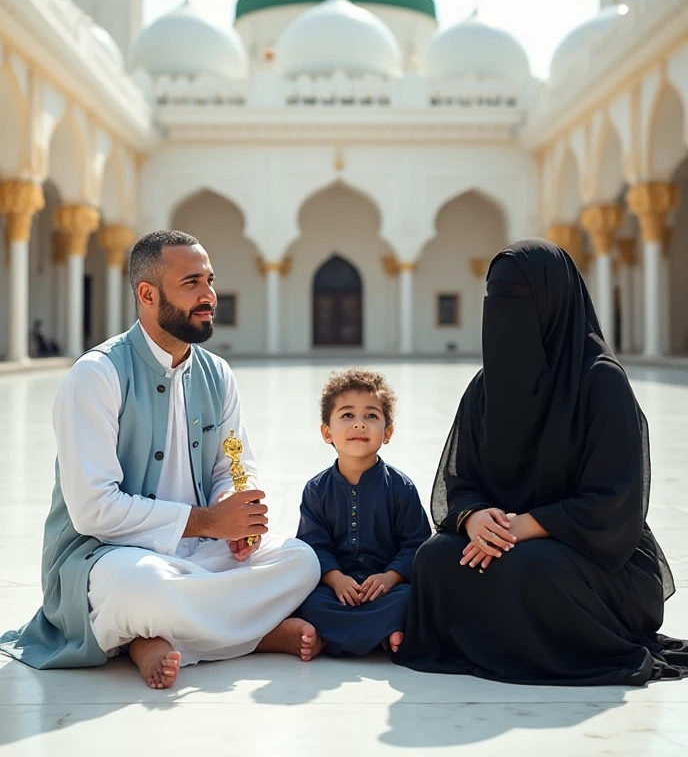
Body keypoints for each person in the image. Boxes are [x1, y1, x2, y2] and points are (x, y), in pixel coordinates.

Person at [0, 230, 321, 688]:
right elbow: (94, 511)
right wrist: (210, 522)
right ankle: (256, 633)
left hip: (195, 554)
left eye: (209, 281)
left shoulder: (217, 374)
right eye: (191, 283)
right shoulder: (97, 375)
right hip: (108, 557)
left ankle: (150, 639)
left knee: (301, 561)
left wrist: (239, 520)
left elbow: (232, 465)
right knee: (143, 587)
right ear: (147, 294)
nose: (208, 295)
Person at [395, 239, 688, 685]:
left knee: (533, 568)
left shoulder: (599, 382)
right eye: (495, 298)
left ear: (554, 304)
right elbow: (462, 479)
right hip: (506, 541)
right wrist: (475, 518)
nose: (503, 312)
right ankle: (500, 638)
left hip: (600, 558)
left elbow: (614, 504)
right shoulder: (486, 387)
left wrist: (527, 525)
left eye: (518, 299)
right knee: (434, 559)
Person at [294, 368, 431, 656]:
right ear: (327, 432)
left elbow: (415, 546)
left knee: (410, 599)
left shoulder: (401, 488)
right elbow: (313, 547)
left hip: (386, 590)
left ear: (388, 432)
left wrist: (389, 578)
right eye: (347, 415)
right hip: (336, 591)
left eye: (371, 416)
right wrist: (336, 579)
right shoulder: (316, 489)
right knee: (306, 600)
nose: (359, 425)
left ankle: (331, 639)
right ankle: (382, 637)